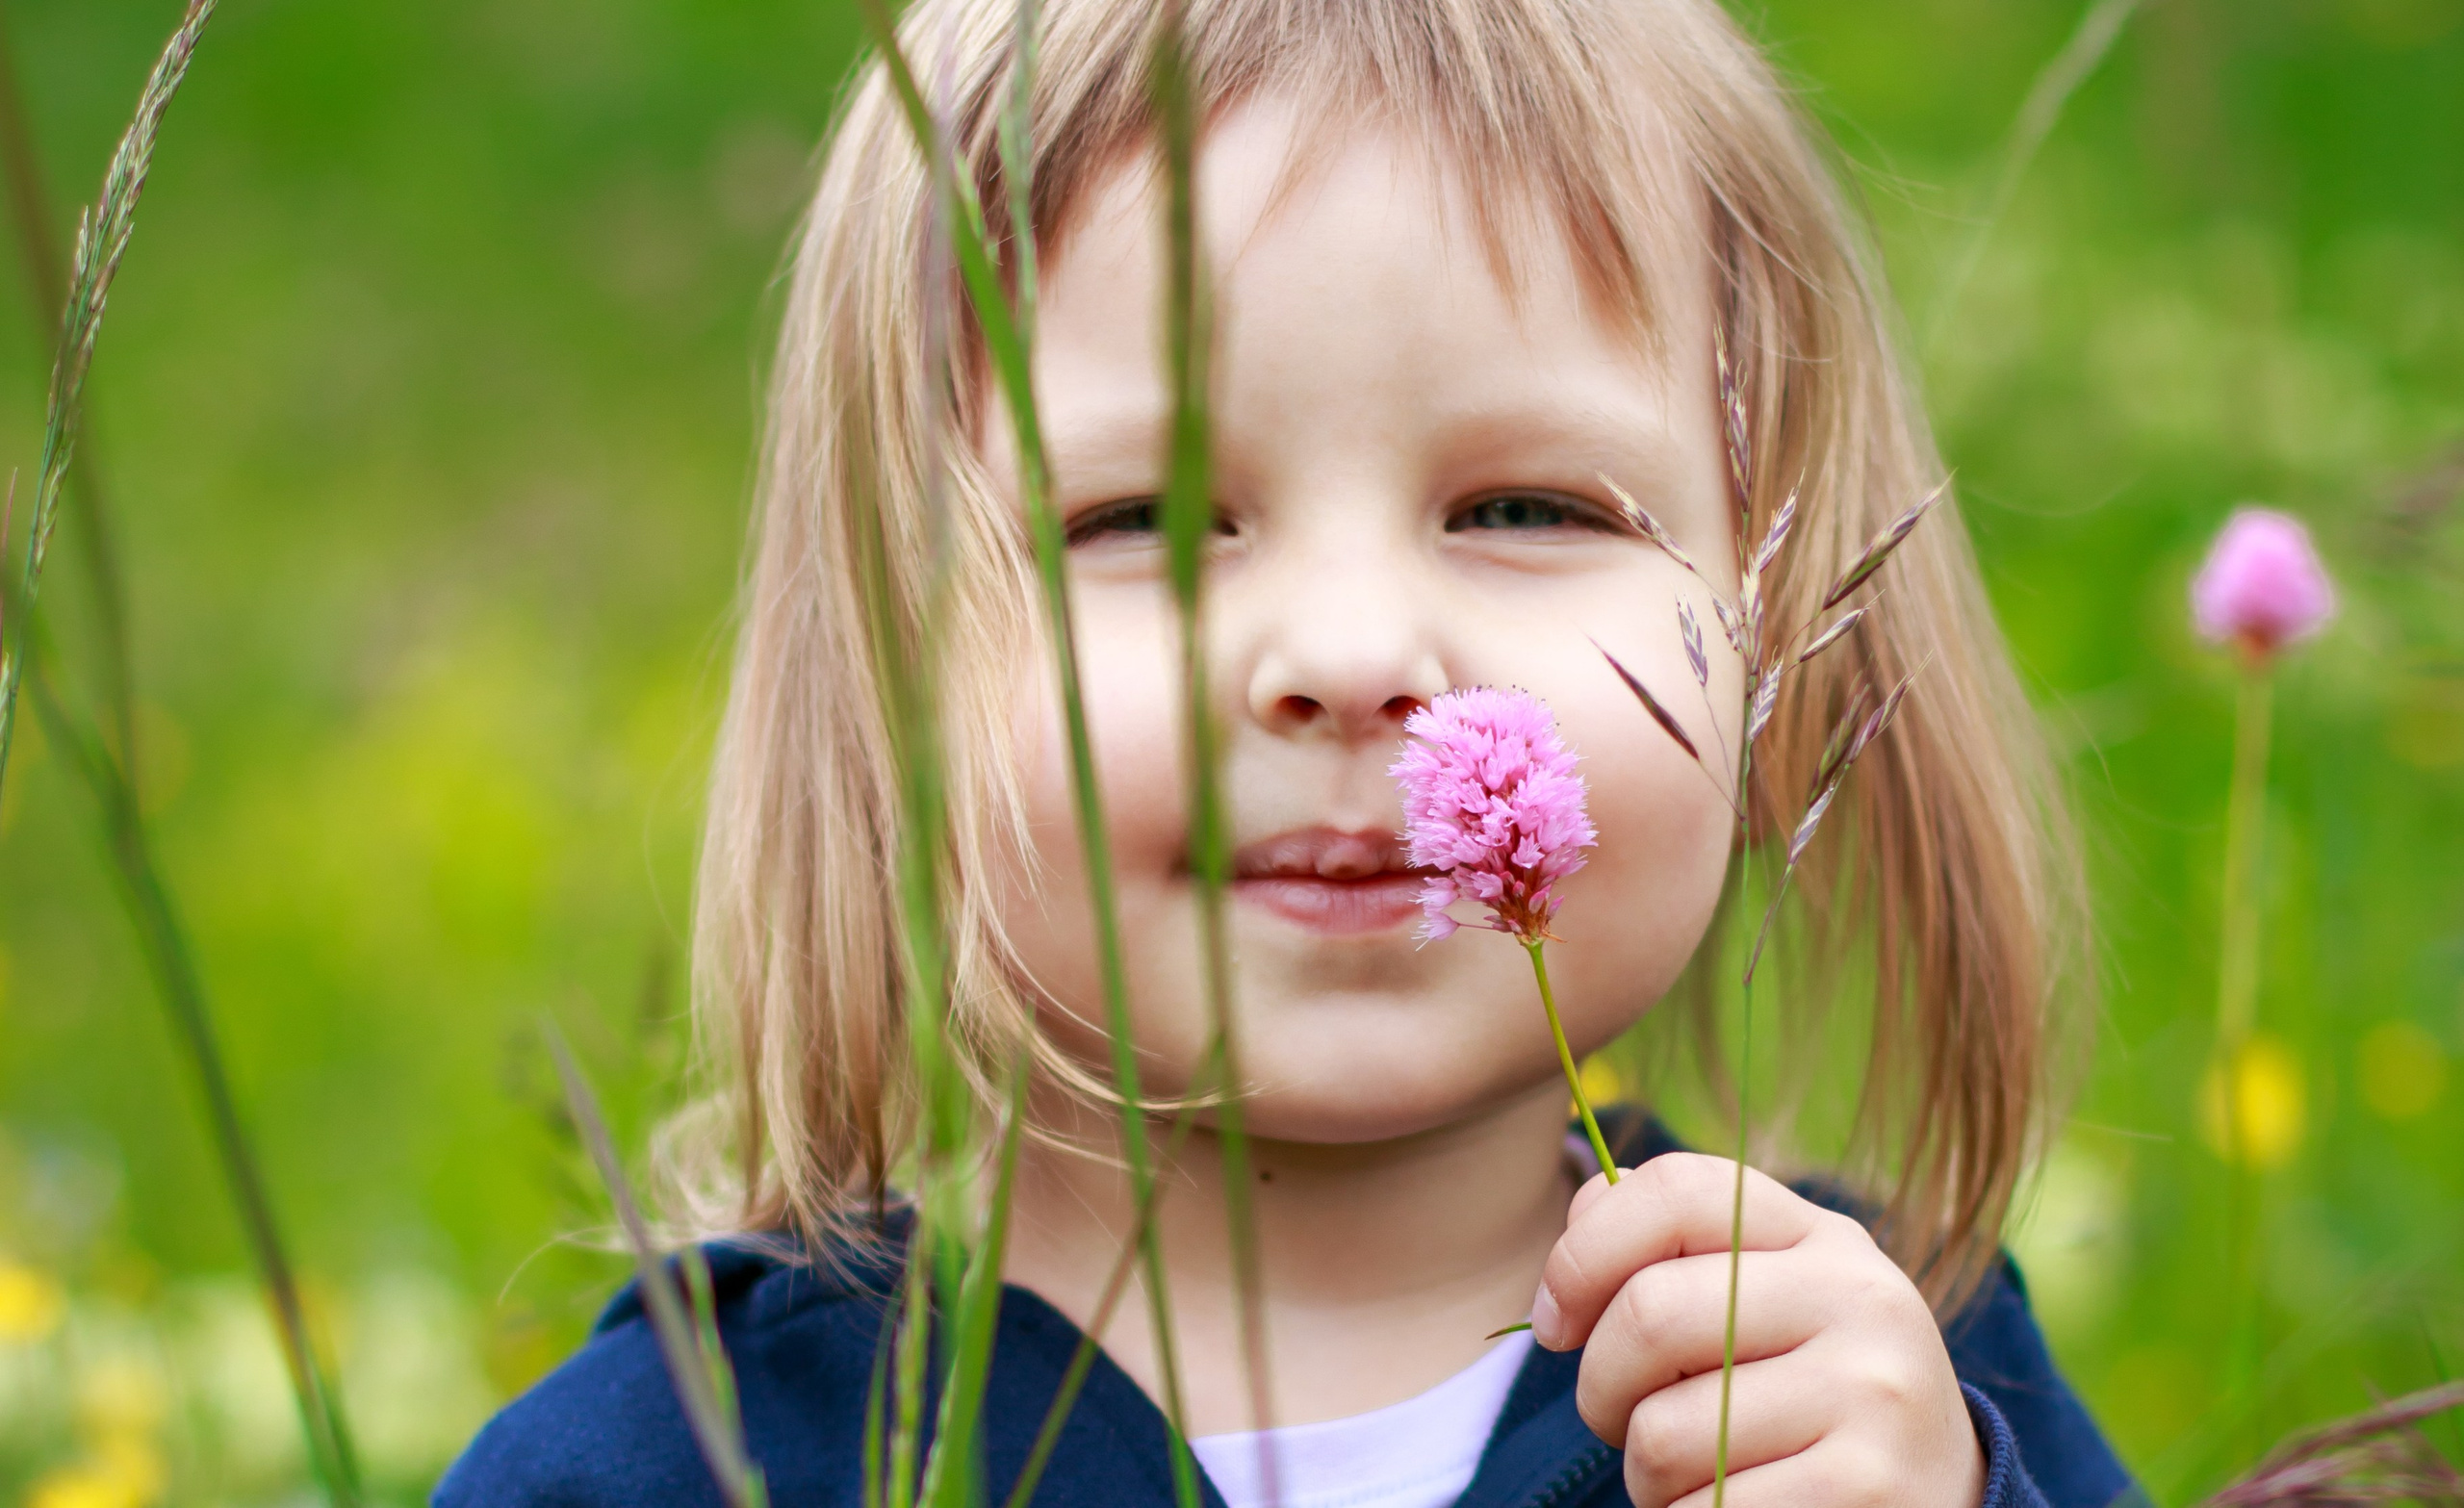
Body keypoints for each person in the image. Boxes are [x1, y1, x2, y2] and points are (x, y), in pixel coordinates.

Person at [438, 1, 2137, 1504]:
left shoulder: (1871, 1381)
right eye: (1146, 519)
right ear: (886, 693)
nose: (1349, 655)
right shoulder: (682, 1463)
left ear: (1783, 653)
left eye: (1524, 508)